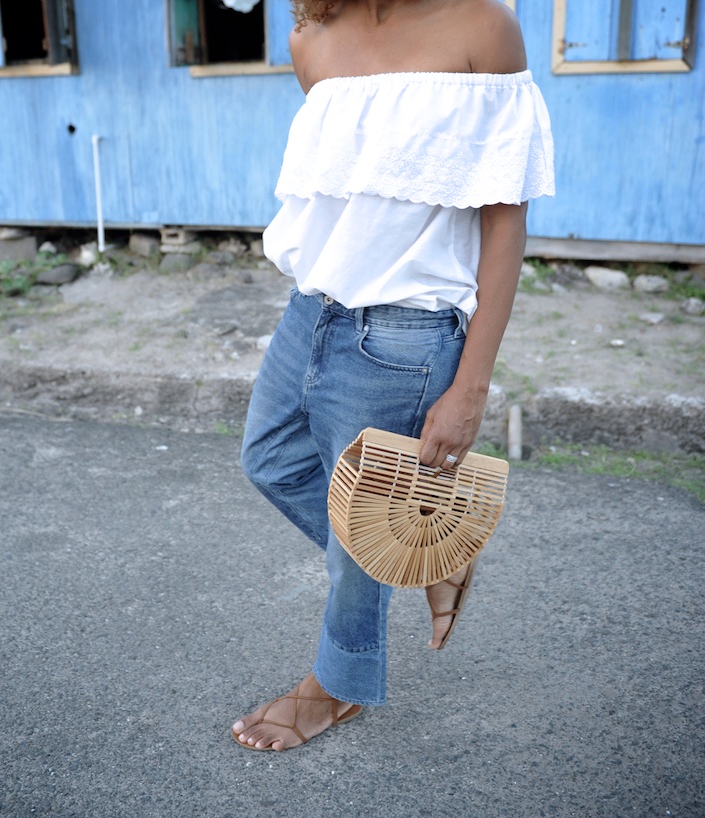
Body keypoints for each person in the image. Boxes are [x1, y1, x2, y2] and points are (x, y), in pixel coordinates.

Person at [232, 0, 554, 752]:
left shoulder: (482, 28)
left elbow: (505, 219)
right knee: (269, 460)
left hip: (405, 334)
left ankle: (335, 689)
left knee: (357, 530)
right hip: (309, 309)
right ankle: (428, 553)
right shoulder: (310, 38)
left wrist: (470, 386)